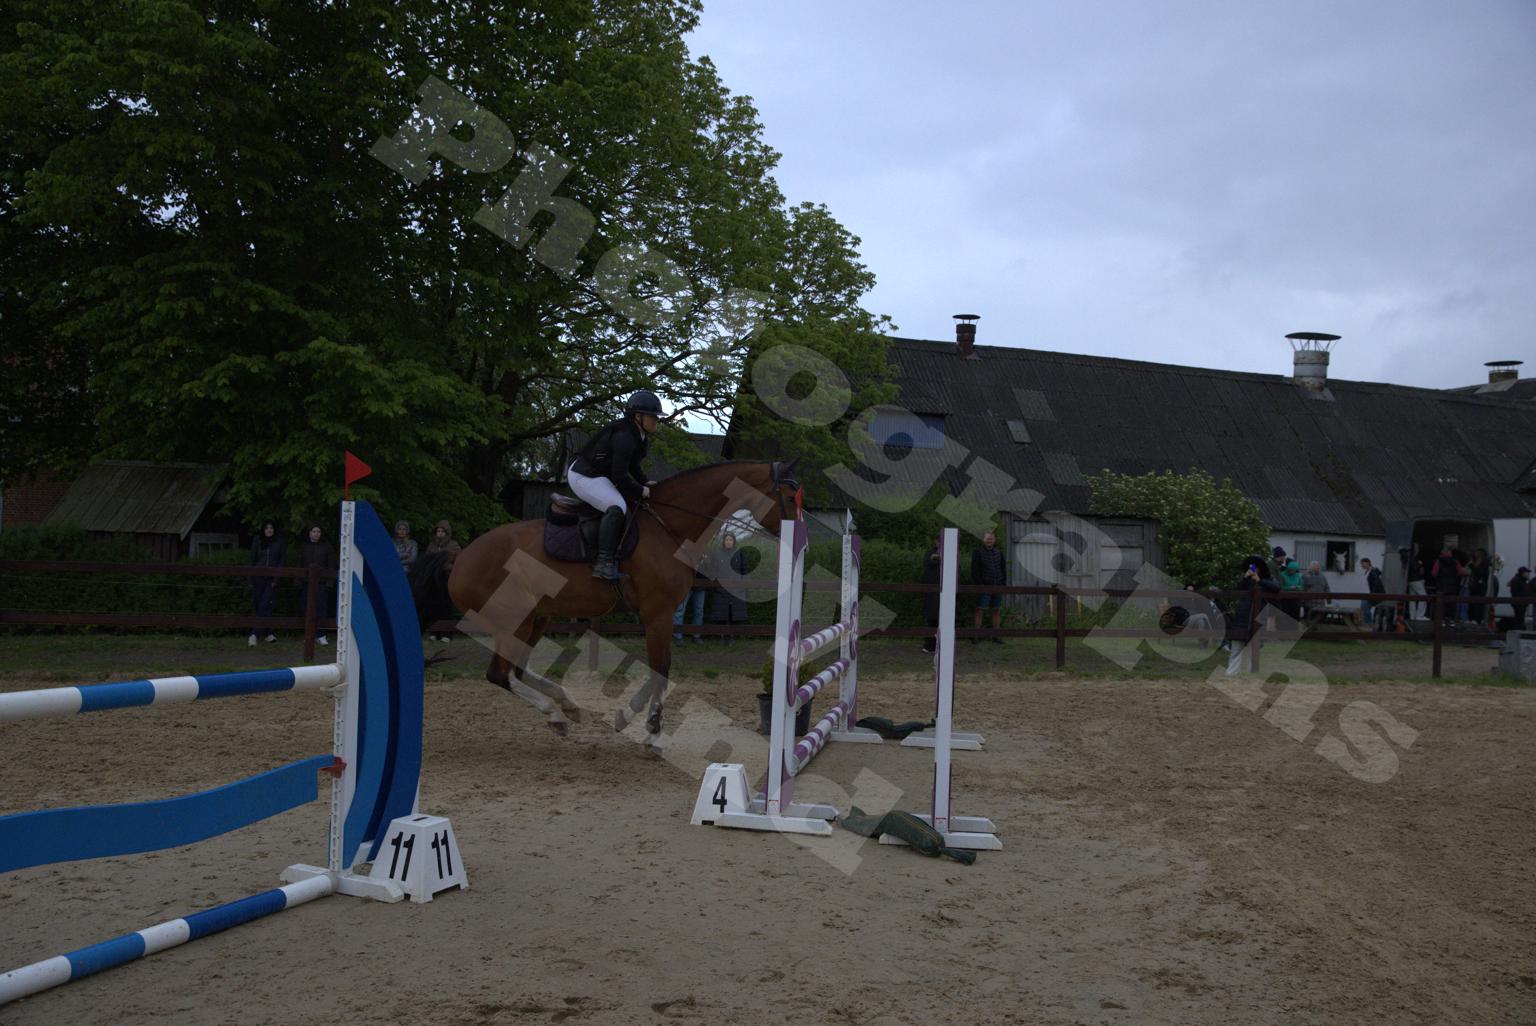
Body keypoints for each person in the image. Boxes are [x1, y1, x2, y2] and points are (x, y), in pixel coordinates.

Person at [566, 390, 664, 580]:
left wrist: (644, 481)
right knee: (617, 507)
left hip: (599, 475)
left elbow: (632, 465)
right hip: (583, 475)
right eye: (652, 416)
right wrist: (640, 490)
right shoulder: (625, 436)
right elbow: (619, 477)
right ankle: (603, 563)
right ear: (638, 416)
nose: (656, 420)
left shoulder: (638, 435)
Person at [1224, 556, 1281, 675]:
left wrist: (1259, 580)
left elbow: (1277, 587)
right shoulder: (1246, 579)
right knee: (1236, 647)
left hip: (1259, 616)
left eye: (1255, 567)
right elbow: (1236, 589)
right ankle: (1232, 673)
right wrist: (1245, 577)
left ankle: (1252, 674)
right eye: (1251, 567)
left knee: (1254, 648)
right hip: (1242, 616)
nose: (1253, 569)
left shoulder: (1268, 578)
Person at [707, 533, 751, 642]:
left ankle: (732, 636)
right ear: (724, 541)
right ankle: (722, 636)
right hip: (721, 590)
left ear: (734, 541)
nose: (728, 541)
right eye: (726, 540)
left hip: (736, 590)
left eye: (730, 540)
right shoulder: (717, 554)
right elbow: (712, 571)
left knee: (733, 615)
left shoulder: (740, 554)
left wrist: (744, 586)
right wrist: (714, 585)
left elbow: (745, 571)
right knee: (721, 614)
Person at [249, 520, 287, 647]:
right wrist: (250, 578)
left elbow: (281, 562)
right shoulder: (257, 541)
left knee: (266, 603)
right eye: (266, 528)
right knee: (260, 604)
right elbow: (253, 560)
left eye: (271, 528)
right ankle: (268, 632)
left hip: (271, 578)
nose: (269, 530)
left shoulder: (279, 542)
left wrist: (276, 579)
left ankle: (254, 634)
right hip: (258, 577)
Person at [298, 524, 337, 647]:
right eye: (314, 531)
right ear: (309, 533)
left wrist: (329, 583)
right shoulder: (303, 547)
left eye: (318, 531)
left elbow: (331, 566)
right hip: (306, 583)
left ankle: (321, 635)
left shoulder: (327, 547)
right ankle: (309, 635)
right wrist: (298, 582)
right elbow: (299, 564)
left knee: (321, 609)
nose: (316, 534)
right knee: (306, 609)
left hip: (322, 584)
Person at [970, 530, 1006, 644]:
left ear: (994, 540)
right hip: (984, 586)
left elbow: (1003, 568)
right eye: (987, 539)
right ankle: (976, 636)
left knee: (996, 610)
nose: (989, 540)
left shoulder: (999, 552)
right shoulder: (978, 552)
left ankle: (996, 636)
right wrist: (980, 584)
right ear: (983, 540)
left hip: (997, 586)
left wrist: (1003, 583)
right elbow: (974, 570)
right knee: (980, 610)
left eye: (991, 539)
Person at [673, 550, 709, 644]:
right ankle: (677, 636)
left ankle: (696, 636)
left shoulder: (708, 553)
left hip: (700, 586)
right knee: (680, 610)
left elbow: (711, 570)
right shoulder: (685, 551)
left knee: (699, 611)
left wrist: (705, 561)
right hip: (686, 586)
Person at [1429, 546, 1465, 623]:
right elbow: (1461, 572)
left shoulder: (1438, 561)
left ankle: (1441, 620)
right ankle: (1451, 620)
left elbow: (1434, 573)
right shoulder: (1456, 562)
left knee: (1441, 604)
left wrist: (1439, 578)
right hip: (1452, 586)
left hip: (1441, 586)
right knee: (1451, 604)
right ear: (1450, 553)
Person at [920, 536, 942, 654]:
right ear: (936, 542)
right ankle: (930, 645)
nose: (940, 543)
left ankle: (942, 645)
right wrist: (938, 557)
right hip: (932, 591)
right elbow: (929, 563)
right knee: (932, 619)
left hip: (945, 592)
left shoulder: (952, 553)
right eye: (939, 541)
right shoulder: (930, 553)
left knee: (943, 620)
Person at [1501, 566, 1532, 633]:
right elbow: (1515, 592)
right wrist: (1523, 598)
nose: (1528, 574)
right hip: (1519, 603)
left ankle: (1520, 631)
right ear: (1522, 573)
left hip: (1522, 603)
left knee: (1520, 618)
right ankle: (1519, 632)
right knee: (1520, 619)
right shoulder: (1517, 580)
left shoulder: (1522, 580)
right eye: (1527, 572)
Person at [1468, 548, 1491, 627]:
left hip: (1479, 587)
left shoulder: (1484, 564)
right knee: (1472, 603)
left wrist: (1472, 566)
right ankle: (1472, 618)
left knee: (1477, 603)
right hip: (1474, 586)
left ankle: (1477, 619)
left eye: (1477, 553)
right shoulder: (1478, 562)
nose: (1475, 554)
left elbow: (1479, 573)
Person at [1277, 558, 1304, 626]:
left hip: (1296, 599)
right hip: (1285, 599)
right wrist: (1290, 588)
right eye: (1292, 570)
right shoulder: (1282, 575)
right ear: (1288, 569)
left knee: (1295, 615)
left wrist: (1297, 587)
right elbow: (1280, 587)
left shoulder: (1298, 575)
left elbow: (1302, 587)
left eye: (1295, 570)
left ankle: (1294, 628)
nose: (1293, 572)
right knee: (1285, 614)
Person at [1360, 557, 1385, 630]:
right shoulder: (1366, 572)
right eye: (1361, 564)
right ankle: (1367, 625)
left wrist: (1373, 593)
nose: (1362, 565)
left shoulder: (1372, 571)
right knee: (1364, 609)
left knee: (1365, 609)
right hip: (1365, 594)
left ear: (1367, 563)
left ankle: (1369, 624)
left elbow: (1377, 575)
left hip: (1369, 594)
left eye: (1362, 563)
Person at [1405, 548, 1427, 620]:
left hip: (1410, 580)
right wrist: (1420, 564)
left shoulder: (1407, 558)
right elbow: (1416, 568)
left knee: (1412, 598)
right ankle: (1420, 615)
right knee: (1424, 596)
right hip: (1415, 579)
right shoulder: (1413, 559)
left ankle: (1412, 616)